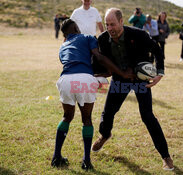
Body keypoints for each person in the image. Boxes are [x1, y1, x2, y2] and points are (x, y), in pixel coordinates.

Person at [91, 8, 174, 171]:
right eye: (107, 25)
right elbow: (100, 61)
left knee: (147, 116)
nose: (110, 28)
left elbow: (157, 49)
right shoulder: (102, 39)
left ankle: (165, 156)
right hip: (119, 79)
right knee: (108, 112)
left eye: (113, 24)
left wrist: (160, 73)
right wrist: (99, 74)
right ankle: (105, 134)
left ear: (122, 21)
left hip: (140, 79)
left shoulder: (139, 35)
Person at [51, 19, 133, 170]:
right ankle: (86, 161)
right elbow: (100, 57)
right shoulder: (87, 37)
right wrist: (121, 73)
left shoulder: (62, 46)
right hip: (85, 79)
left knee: (67, 117)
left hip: (65, 81)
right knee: (86, 119)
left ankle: (56, 156)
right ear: (76, 28)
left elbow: (72, 63)